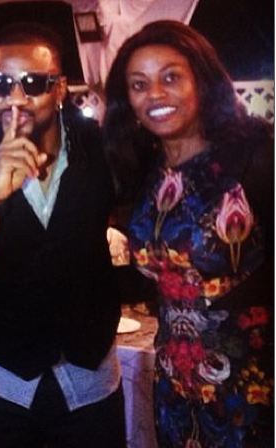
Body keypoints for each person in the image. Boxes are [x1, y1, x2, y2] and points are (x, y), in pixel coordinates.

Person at [0, 23, 125, 447]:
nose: (15, 98)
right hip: (1, 385)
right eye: (0, 84)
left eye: (33, 83)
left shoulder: (103, 150)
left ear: (60, 89)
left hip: (91, 380)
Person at [103, 20, 274, 447]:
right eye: (139, 84)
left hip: (253, 383)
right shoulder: (144, 172)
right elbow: (155, 274)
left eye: (170, 78)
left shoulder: (256, 157)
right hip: (175, 383)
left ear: (202, 82)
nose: (155, 94)